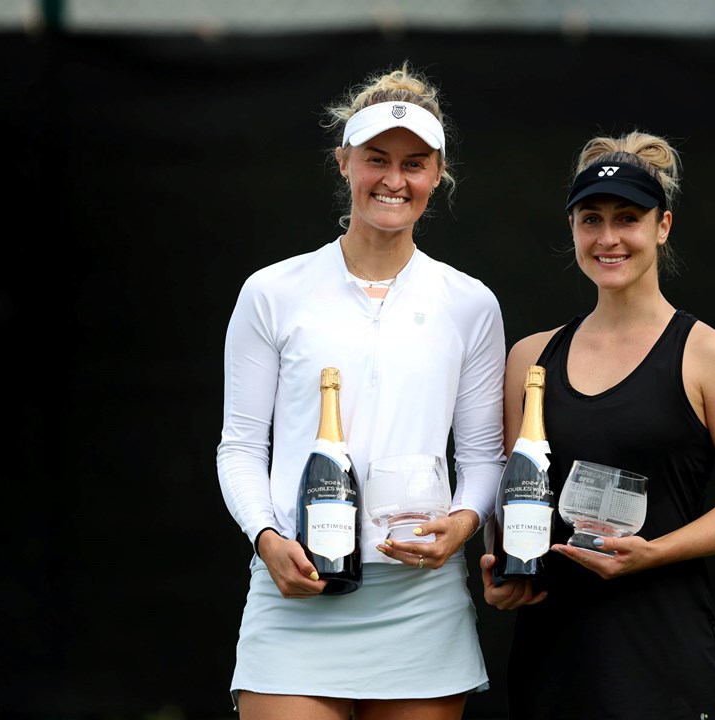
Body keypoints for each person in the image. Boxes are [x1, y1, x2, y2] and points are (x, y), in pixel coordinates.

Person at [217, 62, 506, 720]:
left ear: (437, 175)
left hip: (420, 599)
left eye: (415, 163)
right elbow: (239, 445)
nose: (394, 180)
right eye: (377, 158)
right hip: (298, 593)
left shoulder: (471, 304)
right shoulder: (273, 291)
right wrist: (266, 537)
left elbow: (484, 452)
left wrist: (462, 524)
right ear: (345, 161)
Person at [480, 130, 715, 719]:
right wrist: (500, 566)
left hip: (662, 655)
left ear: (662, 226)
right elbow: (512, 498)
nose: (609, 237)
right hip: (554, 660)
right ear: (571, 229)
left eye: (628, 218)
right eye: (590, 219)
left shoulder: (710, 355)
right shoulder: (530, 359)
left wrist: (655, 552)